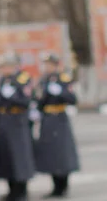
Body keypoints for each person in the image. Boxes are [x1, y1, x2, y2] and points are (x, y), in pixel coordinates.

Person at [33, 52, 80, 198]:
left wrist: (61, 92)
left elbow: (72, 99)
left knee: (62, 152)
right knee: (50, 153)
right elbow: (39, 99)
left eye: (49, 64)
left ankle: (63, 185)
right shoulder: (43, 80)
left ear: (55, 65)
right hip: (47, 119)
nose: (47, 67)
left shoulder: (63, 79)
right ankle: (55, 186)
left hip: (60, 118)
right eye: (45, 64)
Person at [0, 51, 35, 201]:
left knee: (19, 155)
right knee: (6, 156)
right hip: (4, 120)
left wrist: (13, 97)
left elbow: (26, 101)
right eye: (2, 67)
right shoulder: (1, 80)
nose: (4, 69)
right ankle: (11, 188)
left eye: (7, 66)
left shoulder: (22, 79)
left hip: (18, 120)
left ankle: (21, 189)